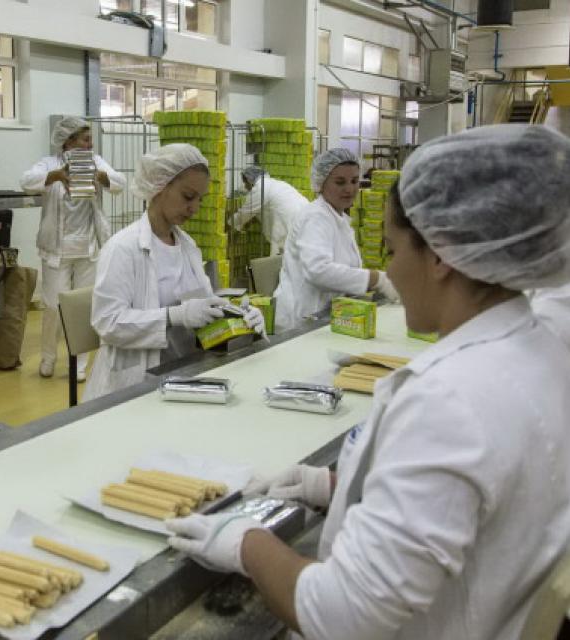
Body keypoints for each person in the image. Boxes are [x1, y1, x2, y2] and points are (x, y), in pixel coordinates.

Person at [166, 125, 570, 639]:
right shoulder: (542, 350)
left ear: (441, 255)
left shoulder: (450, 401)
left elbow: (342, 616)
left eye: (394, 251)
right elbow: (463, 499)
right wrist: (336, 485)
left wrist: (246, 542)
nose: (390, 273)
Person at [84, 144, 264, 402]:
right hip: (137, 382)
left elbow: (203, 305)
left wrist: (238, 315)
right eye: (188, 196)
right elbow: (108, 322)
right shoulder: (122, 248)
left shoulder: (188, 246)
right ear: (159, 186)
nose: (195, 208)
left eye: (200, 199)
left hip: (187, 372)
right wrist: (173, 316)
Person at [20, 116, 126, 381]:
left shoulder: (96, 162)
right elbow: (26, 181)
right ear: (68, 141)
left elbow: (120, 183)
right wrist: (56, 176)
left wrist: (100, 176)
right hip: (56, 250)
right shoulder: (49, 163)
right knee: (53, 307)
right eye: (85, 140)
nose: (90, 145)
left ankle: (78, 365)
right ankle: (48, 358)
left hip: (88, 248)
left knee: (82, 309)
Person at [272, 148, 397, 332]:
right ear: (321, 183)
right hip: (300, 322)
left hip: (328, 316)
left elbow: (343, 270)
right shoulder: (315, 217)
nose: (349, 189)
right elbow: (318, 271)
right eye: (340, 182)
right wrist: (376, 278)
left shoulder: (340, 219)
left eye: (354, 181)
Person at [232, 167, 308, 255]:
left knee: (282, 251)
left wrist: (227, 228)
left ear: (250, 180)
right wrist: (245, 223)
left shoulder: (260, 188)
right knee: (300, 250)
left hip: (289, 218)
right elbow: (263, 210)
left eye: (245, 183)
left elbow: (243, 214)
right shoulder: (275, 184)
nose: (245, 187)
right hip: (305, 214)